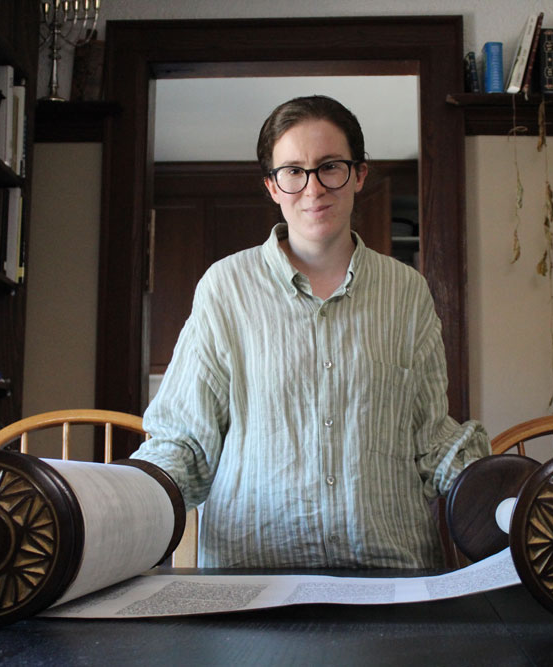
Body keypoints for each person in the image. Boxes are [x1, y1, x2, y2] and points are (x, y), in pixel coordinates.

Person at [131, 95, 490, 568]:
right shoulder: (225, 286)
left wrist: (498, 490)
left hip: (389, 571)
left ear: (359, 175)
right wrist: (126, 502)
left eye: (330, 167)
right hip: (252, 577)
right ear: (272, 186)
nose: (313, 187)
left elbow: (429, 437)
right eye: (293, 171)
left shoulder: (407, 291)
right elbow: (185, 442)